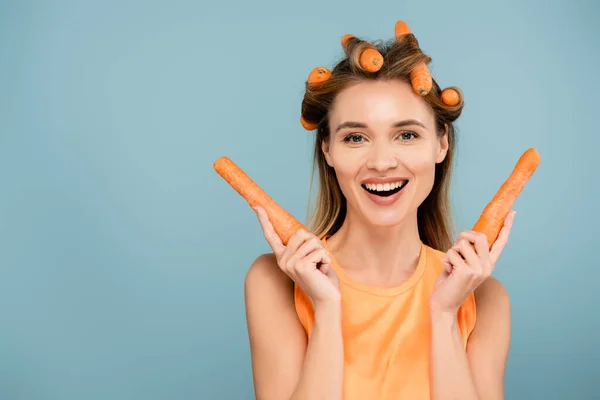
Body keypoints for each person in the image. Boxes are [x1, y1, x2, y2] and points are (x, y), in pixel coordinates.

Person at [244, 21, 513, 400]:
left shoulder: (484, 300)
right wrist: (327, 309)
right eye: (356, 137)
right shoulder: (275, 281)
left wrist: (442, 315)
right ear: (328, 149)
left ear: (441, 145)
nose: (382, 162)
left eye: (407, 134)